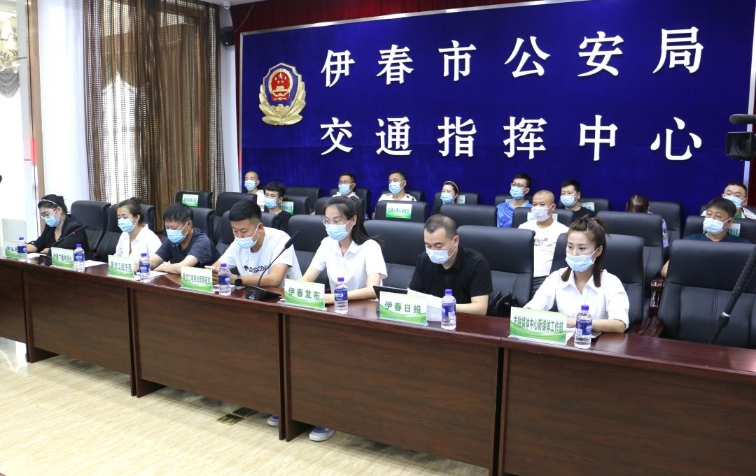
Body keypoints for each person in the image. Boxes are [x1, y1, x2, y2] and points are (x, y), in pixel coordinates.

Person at [284, 195, 387, 443]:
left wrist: (334, 297)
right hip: (334, 313)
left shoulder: (370, 248)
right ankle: (306, 410)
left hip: (365, 316)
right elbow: (307, 279)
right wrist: (290, 292)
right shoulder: (327, 244)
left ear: (353, 220)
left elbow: (373, 290)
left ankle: (338, 417)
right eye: (327, 221)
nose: (331, 226)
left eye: (337, 220)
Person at [525, 216, 629, 333]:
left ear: (598, 251)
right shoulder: (557, 277)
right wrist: (528, 312)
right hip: (565, 341)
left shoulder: (611, 282)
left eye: (582, 248)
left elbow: (619, 324)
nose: (574, 253)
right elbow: (532, 308)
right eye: (570, 247)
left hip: (598, 342)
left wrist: (576, 322)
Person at [409, 214, 493, 315]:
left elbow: (480, 309)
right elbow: (412, 296)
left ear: (455, 241)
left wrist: (440, 304)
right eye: (428, 246)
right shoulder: (423, 260)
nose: (433, 251)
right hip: (432, 319)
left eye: (438, 246)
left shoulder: (477, 263)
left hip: (466, 320)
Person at [212, 199, 301, 287]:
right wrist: (213, 274)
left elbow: (274, 280)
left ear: (260, 228)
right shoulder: (237, 243)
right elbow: (216, 267)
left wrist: (235, 279)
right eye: (235, 230)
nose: (239, 236)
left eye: (243, 231)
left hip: (284, 294)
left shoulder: (280, 239)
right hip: (252, 293)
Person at [661, 197, 751, 277]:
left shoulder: (743, 246)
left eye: (718, 216)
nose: (711, 219)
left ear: (729, 222)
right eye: (709, 214)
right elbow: (665, 271)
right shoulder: (689, 241)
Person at [517, 190, 569, 296]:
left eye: (542, 205)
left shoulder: (563, 231)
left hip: (546, 278)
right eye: (534, 204)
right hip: (521, 276)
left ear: (552, 207)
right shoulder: (523, 227)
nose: (537, 208)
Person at [149, 203, 220, 274]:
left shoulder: (202, 241)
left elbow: (182, 268)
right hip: (180, 280)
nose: (170, 231)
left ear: (189, 225)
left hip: (210, 280)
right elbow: (153, 262)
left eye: (174, 228)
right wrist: (144, 264)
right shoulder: (171, 240)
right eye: (167, 228)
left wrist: (158, 268)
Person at [26, 194, 90, 257]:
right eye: (43, 215)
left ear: (59, 210)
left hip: (80, 262)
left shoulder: (74, 227)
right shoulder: (50, 226)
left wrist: (49, 250)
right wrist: (22, 247)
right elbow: (38, 244)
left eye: (47, 214)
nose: (46, 218)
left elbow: (65, 250)